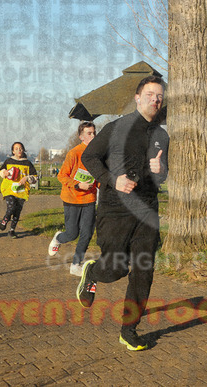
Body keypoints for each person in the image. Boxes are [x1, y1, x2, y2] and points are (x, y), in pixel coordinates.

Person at [79, 75, 169, 351]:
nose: (156, 99)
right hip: (115, 208)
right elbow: (89, 157)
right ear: (138, 98)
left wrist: (161, 171)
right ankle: (92, 271)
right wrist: (112, 179)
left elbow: (162, 175)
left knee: (144, 270)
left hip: (147, 210)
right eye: (150, 94)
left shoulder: (162, 136)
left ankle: (129, 330)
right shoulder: (116, 128)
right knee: (116, 268)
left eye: (160, 96)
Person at [48, 121, 98, 276]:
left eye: (94, 132)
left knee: (87, 233)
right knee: (72, 234)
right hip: (72, 199)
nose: (93, 136)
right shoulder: (74, 153)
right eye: (89, 133)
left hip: (89, 199)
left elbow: (99, 176)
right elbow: (62, 176)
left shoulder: (98, 154)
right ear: (81, 136)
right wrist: (78, 185)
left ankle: (76, 265)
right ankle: (58, 238)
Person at [0, 142, 38, 238]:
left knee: (17, 211)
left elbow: (35, 177)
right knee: (11, 207)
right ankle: (5, 219)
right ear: (13, 151)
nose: (19, 150)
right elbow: (1, 171)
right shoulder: (8, 161)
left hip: (22, 190)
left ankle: (12, 230)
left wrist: (26, 178)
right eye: (16, 149)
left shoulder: (28, 163)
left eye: (20, 148)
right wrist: (4, 172)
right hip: (9, 189)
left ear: (23, 150)